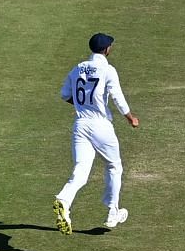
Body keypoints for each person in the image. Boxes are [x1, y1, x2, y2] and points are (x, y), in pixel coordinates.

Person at [52, 33, 139, 234]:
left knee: (81, 171)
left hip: (80, 125)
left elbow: (65, 95)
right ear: (107, 49)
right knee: (114, 166)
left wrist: (84, 105)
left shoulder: (77, 69)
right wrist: (130, 117)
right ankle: (112, 211)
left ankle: (64, 200)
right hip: (101, 125)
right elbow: (117, 96)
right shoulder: (108, 69)